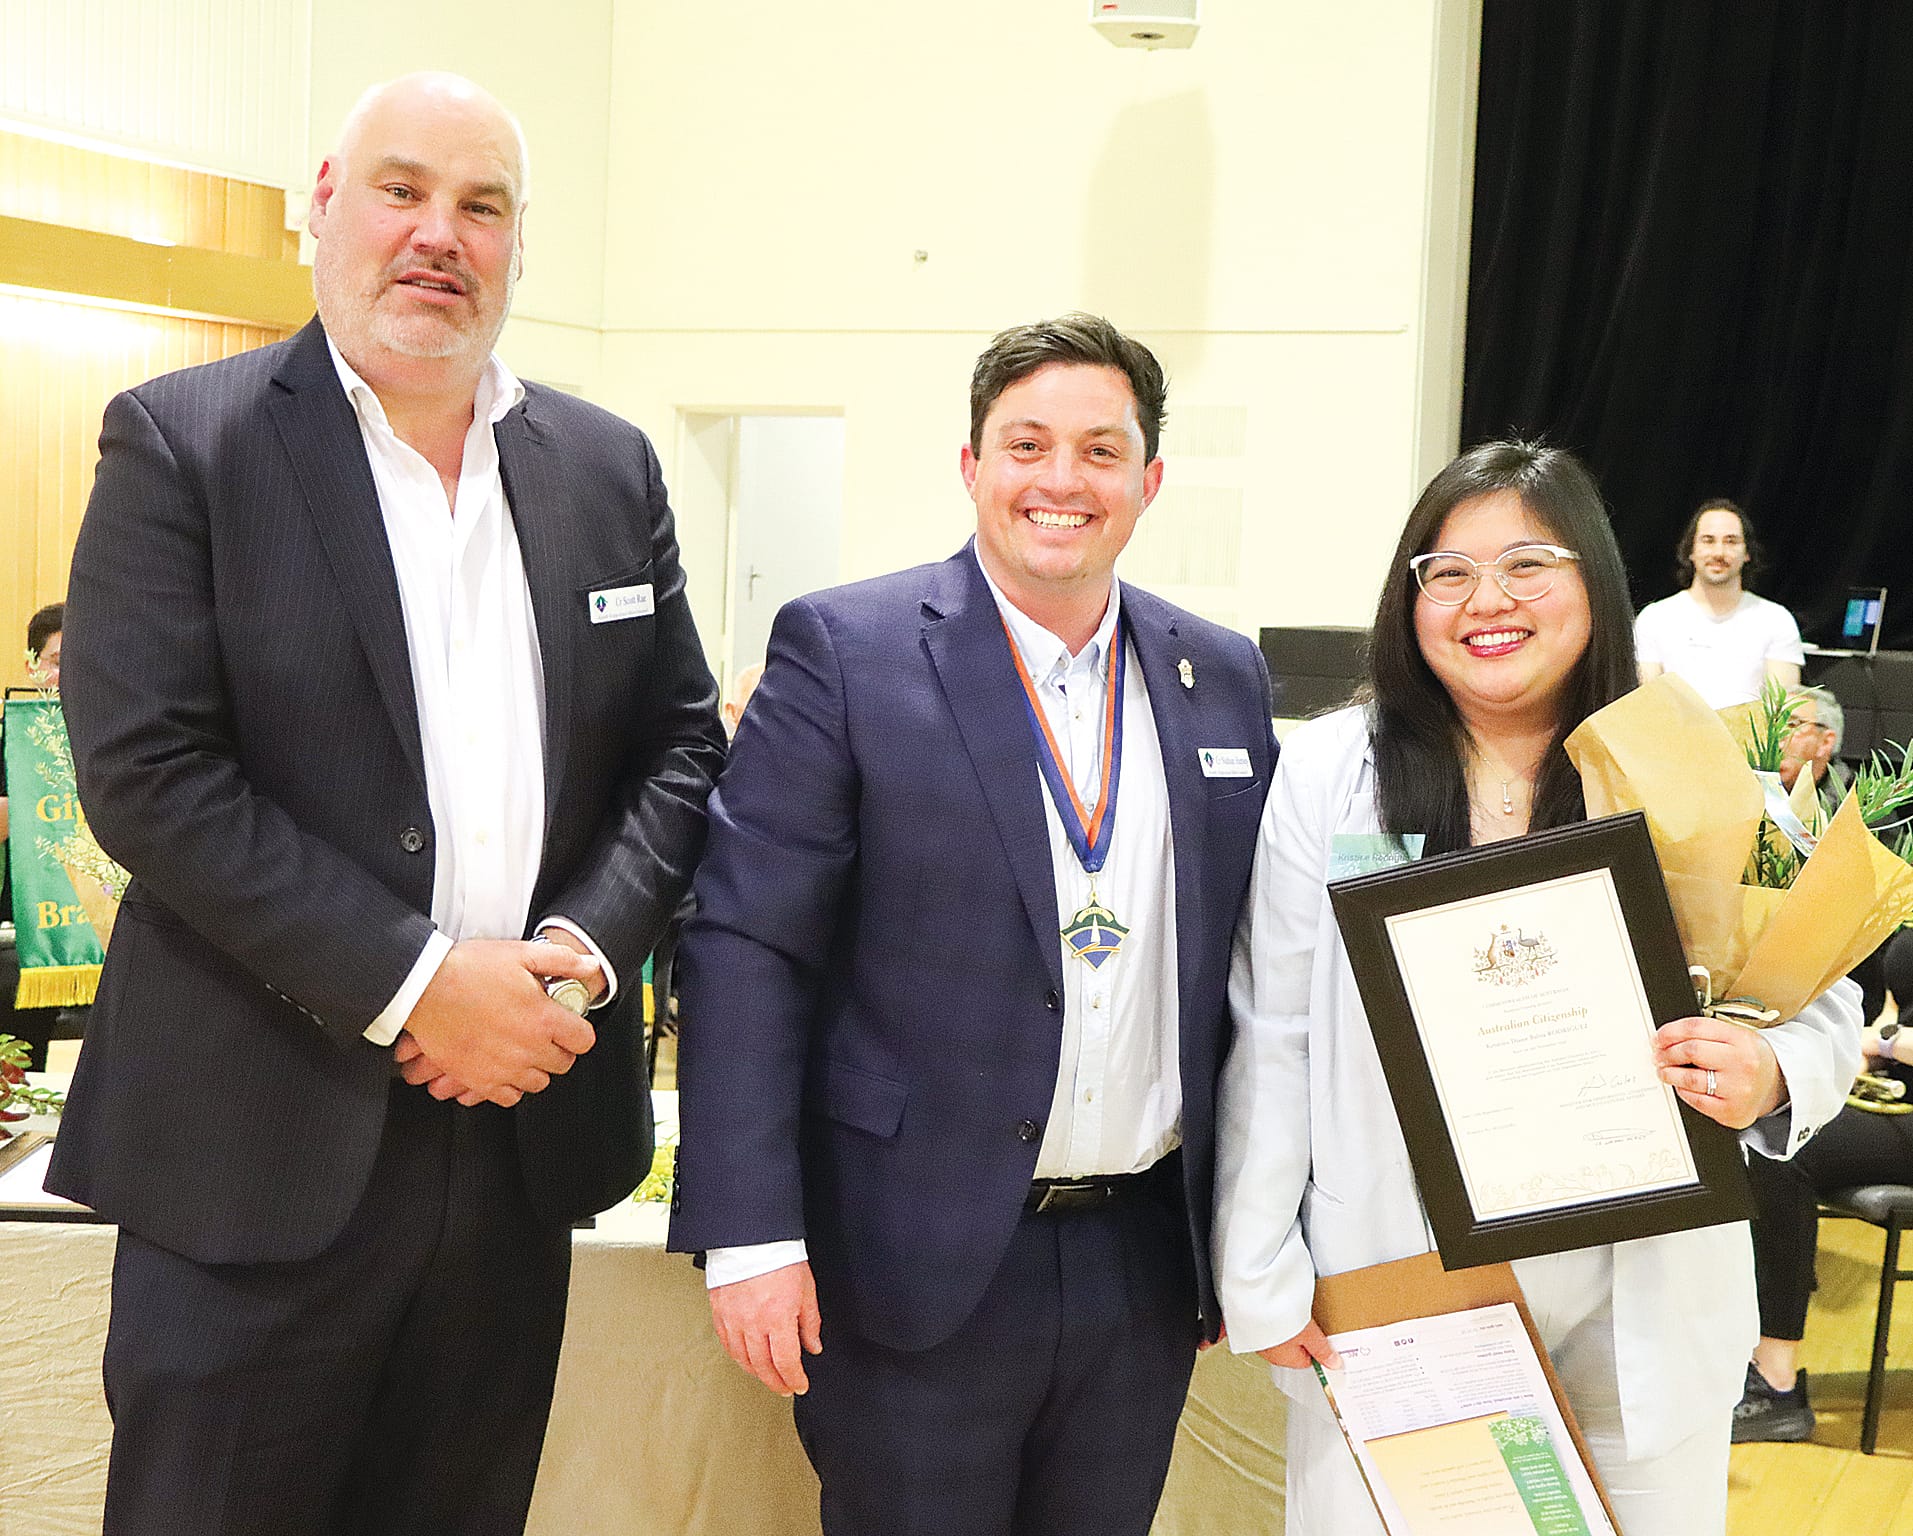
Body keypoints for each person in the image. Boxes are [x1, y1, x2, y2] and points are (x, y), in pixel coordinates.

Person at [49, 72, 725, 1536]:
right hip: (256, 1147)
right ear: (324, 203)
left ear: (519, 242)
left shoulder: (605, 469)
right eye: (404, 191)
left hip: (517, 1141)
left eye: (480, 207)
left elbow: (683, 746)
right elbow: (148, 778)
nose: (439, 234)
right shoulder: (184, 443)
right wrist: (418, 985)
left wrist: (579, 959)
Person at [669, 314, 1276, 1536]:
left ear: (1148, 481)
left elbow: (1252, 969)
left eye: (1101, 452)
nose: (1062, 481)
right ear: (970, 466)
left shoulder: (1221, 674)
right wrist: (746, 1233)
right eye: (1026, 444)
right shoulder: (849, 650)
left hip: (1140, 1260)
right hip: (912, 1257)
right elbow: (746, 945)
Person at [1213, 441, 1861, 1536]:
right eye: (1447, 571)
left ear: (1593, 582)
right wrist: (1259, 1268)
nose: (1486, 601)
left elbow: (1822, 994)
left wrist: (1770, 1069)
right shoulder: (1330, 772)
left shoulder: (1695, 757)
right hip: (1396, 1284)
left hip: (1636, 1302)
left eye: (1526, 564)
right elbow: (1272, 1027)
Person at [1737, 929, 1913, 1443]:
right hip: (1896, 1087)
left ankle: (1775, 1383)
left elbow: (1887, 1030)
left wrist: (1885, 1043)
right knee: (1765, 1126)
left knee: (1781, 1148)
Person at [1635, 498, 1804, 707]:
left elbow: (1782, 709)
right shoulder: (1655, 618)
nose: (1719, 553)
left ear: (1747, 552)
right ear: (1690, 550)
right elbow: (1644, 703)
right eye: (1708, 540)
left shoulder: (1776, 620)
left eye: (1731, 541)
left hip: (1746, 739)